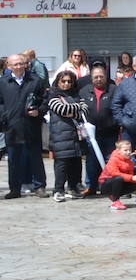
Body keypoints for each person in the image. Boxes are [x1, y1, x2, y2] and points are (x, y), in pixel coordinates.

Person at [1, 53, 47, 198]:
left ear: (26, 64)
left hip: (31, 125)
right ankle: (15, 189)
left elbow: (45, 101)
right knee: (14, 160)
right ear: (9, 66)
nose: (19, 66)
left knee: (35, 157)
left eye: (22, 63)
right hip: (12, 126)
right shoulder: (3, 82)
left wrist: (39, 111)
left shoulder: (36, 80)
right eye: (15, 64)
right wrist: (4, 116)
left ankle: (39, 186)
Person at [45, 70, 88, 201]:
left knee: (76, 164)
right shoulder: (53, 96)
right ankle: (58, 190)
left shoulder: (76, 94)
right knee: (62, 165)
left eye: (69, 81)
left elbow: (85, 109)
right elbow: (62, 109)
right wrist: (78, 109)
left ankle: (73, 188)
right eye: (63, 81)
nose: (66, 84)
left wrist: (74, 110)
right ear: (58, 82)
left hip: (76, 137)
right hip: (60, 138)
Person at [77, 63, 117, 195]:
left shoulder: (113, 89)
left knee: (110, 160)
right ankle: (91, 186)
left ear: (106, 77)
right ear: (91, 78)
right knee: (91, 161)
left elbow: (118, 108)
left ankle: (109, 186)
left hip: (110, 132)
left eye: (101, 76)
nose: (98, 79)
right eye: (96, 77)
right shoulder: (84, 91)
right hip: (92, 134)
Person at [96, 138, 136, 211]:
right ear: (118, 151)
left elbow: (130, 176)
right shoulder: (113, 159)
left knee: (134, 185)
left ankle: (114, 196)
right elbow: (114, 173)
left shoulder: (130, 162)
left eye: (129, 150)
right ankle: (115, 201)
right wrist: (132, 178)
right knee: (118, 178)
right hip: (105, 184)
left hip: (117, 183)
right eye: (125, 150)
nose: (128, 152)